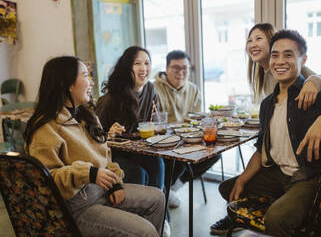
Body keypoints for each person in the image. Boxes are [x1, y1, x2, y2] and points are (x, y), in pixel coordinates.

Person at [213, 29, 321, 237]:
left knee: (276, 220)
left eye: (288, 55)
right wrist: (242, 179)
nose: (280, 61)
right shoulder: (267, 104)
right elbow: (261, 151)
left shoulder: (313, 94)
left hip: (308, 176)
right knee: (229, 188)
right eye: (275, 55)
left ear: (302, 59)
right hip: (278, 174)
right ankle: (289, 200)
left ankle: (293, 205)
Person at [23, 56, 165, 237]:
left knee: (158, 198)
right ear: (66, 83)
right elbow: (46, 181)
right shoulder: (46, 127)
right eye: (85, 76)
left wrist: (115, 183)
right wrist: (89, 173)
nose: (91, 82)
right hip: (76, 206)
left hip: (101, 192)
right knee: (145, 231)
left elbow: (106, 157)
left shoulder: (87, 116)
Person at [154, 50, 220, 208]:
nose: (181, 73)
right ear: (166, 68)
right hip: (165, 142)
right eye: (176, 68)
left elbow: (197, 119)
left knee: (215, 153)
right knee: (180, 155)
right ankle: (164, 191)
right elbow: (155, 122)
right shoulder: (154, 89)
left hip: (188, 138)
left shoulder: (193, 89)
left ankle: (173, 186)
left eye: (185, 68)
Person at [96, 46, 165, 190]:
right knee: (138, 174)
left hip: (140, 150)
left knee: (157, 162)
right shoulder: (112, 98)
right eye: (137, 63)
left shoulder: (150, 89)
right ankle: (139, 209)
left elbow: (155, 121)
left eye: (147, 63)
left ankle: (158, 207)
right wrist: (109, 133)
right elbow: (95, 137)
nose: (143, 68)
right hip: (115, 155)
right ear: (127, 67)